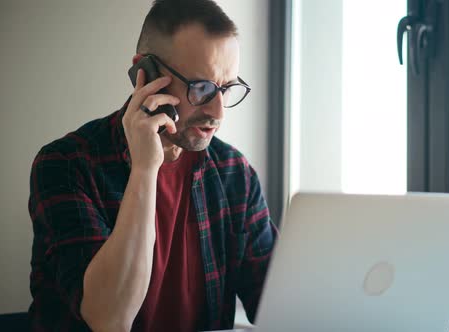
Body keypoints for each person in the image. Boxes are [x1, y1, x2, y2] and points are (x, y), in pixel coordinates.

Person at [27, 1, 278, 331]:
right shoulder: (66, 165)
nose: (219, 112)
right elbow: (108, 317)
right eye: (201, 89)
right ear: (145, 74)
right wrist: (145, 169)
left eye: (227, 88)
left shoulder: (234, 173)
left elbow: (278, 305)